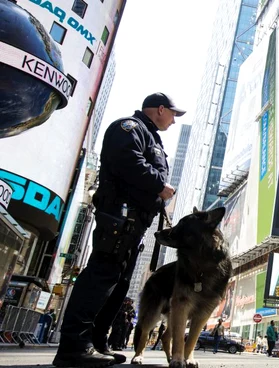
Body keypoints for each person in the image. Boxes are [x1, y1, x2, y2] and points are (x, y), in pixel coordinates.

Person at [52, 93, 181, 367]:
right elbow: (127, 162)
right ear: (160, 110)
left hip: (134, 224)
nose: (173, 121)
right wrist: (159, 185)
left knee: (117, 284)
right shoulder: (129, 128)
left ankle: (97, 342)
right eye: (172, 114)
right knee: (101, 277)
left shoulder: (150, 136)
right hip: (120, 218)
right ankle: (74, 346)